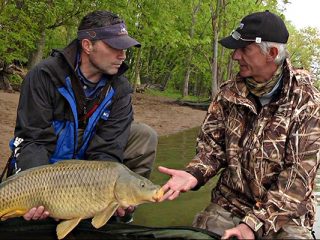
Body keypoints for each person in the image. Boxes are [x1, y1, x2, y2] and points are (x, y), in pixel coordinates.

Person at [159, 10, 320, 239]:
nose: (235, 56)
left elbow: (297, 179)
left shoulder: (307, 101)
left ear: (271, 54)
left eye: (244, 49)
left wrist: (252, 225)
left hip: (284, 214)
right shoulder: (227, 93)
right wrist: (194, 173)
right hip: (230, 204)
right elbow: (212, 149)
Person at [5, 10, 157, 222]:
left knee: (144, 135)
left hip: (87, 176)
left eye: (125, 48)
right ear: (87, 45)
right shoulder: (44, 75)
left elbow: (108, 151)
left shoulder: (120, 88)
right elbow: (34, 139)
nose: (122, 55)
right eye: (115, 47)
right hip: (46, 171)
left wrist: (105, 197)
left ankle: (118, 209)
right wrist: (41, 195)